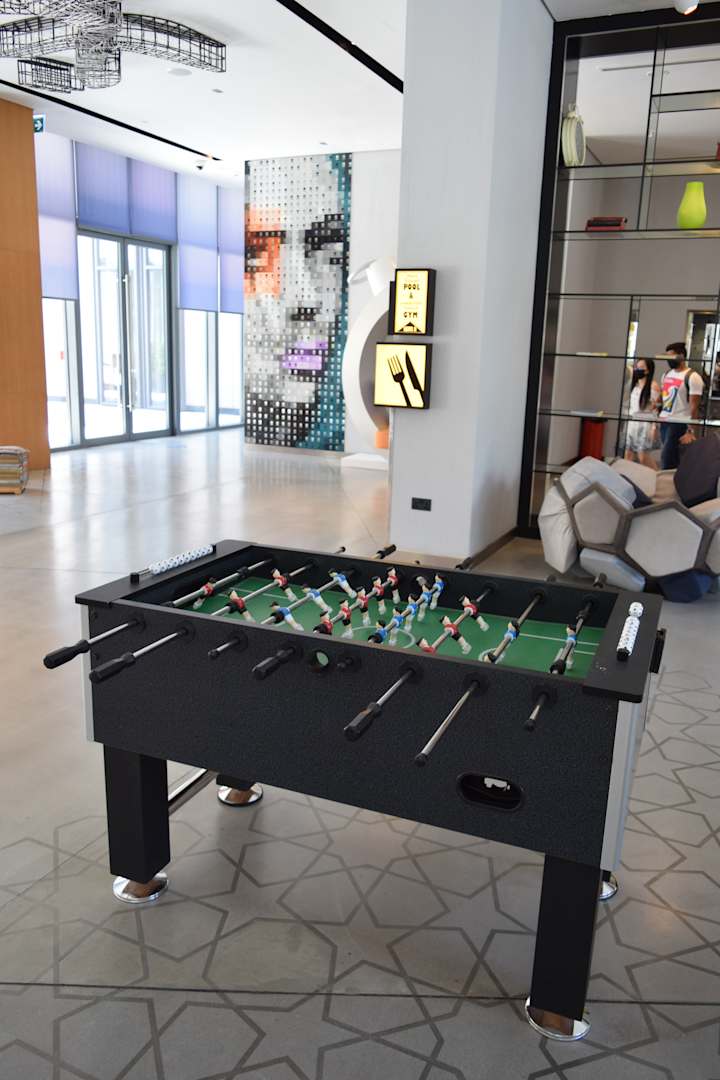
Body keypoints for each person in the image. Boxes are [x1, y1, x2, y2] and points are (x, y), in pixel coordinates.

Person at [659, 342, 704, 470]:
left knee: (667, 458)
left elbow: (694, 406)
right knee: (671, 457)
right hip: (665, 421)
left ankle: (668, 480)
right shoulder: (666, 374)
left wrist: (691, 430)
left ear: (681, 356)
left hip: (679, 422)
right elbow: (663, 399)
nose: (669, 359)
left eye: (672, 356)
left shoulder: (693, 377)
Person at [624, 358, 660, 469]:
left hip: (644, 424)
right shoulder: (634, 385)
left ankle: (657, 475)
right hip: (632, 424)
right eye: (637, 367)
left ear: (648, 370)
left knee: (643, 456)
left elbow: (654, 409)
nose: (638, 370)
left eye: (641, 367)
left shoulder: (653, 386)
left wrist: (654, 427)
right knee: (628, 454)